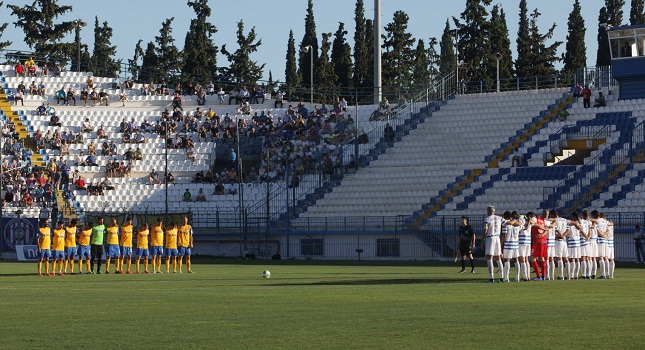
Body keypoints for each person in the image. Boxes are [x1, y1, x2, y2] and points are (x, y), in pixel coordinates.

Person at [481, 206, 502, 283]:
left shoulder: (487, 219)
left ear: (488, 211)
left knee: (489, 258)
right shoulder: (499, 218)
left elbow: (485, 230)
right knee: (498, 258)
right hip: (497, 238)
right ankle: (502, 277)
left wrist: (482, 240)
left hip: (490, 238)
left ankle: (491, 277)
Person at [528, 212, 550, 281]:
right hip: (544, 241)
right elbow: (547, 229)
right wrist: (542, 234)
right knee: (542, 258)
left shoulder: (534, 218)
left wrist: (531, 222)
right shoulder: (543, 220)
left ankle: (538, 276)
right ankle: (543, 276)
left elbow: (532, 222)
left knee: (533, 258)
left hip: (537, 241)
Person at [502, 211, 522, 282]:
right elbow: (521, 225)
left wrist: (501, 245)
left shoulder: (505, 224)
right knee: (516, 260)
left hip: (508, 244)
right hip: (515, 244)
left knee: (507, 260)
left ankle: (506, 278)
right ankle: (517, 277)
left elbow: (504, 235)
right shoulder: (518, 225)